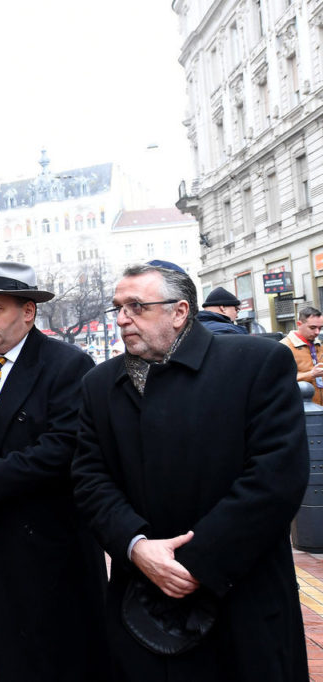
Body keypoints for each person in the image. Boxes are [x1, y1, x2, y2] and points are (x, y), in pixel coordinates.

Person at [72, 263, 309, 681]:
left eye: (136, 306)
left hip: (240, 597)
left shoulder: (256, 363)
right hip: (141, 602)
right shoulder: (99, 385)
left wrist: (193, 563)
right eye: (118, 308)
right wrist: (136, 545)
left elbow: (276, 477)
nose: (122, 318)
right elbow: (90, 478)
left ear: (180, 312)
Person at [0, 261, 108, 682]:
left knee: (41, 653)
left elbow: (63, 448)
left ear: (28, 311)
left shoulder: (68, 365)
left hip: (42, 545)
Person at [281, 305, 323, 406]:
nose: (317, 332)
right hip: (299, 408)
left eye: (320, 328)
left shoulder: (319, 345)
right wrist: (311, 374)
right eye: (312, 328)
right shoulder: (284, 347)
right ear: (299, 324)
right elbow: (279, 379)